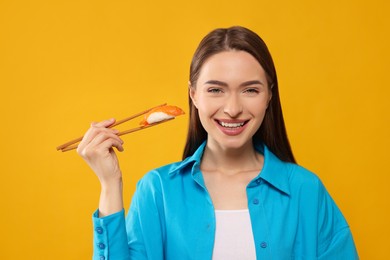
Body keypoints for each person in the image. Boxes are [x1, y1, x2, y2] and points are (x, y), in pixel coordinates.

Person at [77, 26, 359, 259]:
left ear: (269, 95)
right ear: (194, 95)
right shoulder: (157, 191)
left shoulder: (306, 190)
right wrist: (109, 184)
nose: (232, 108)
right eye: (215, 90)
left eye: (250, 89)